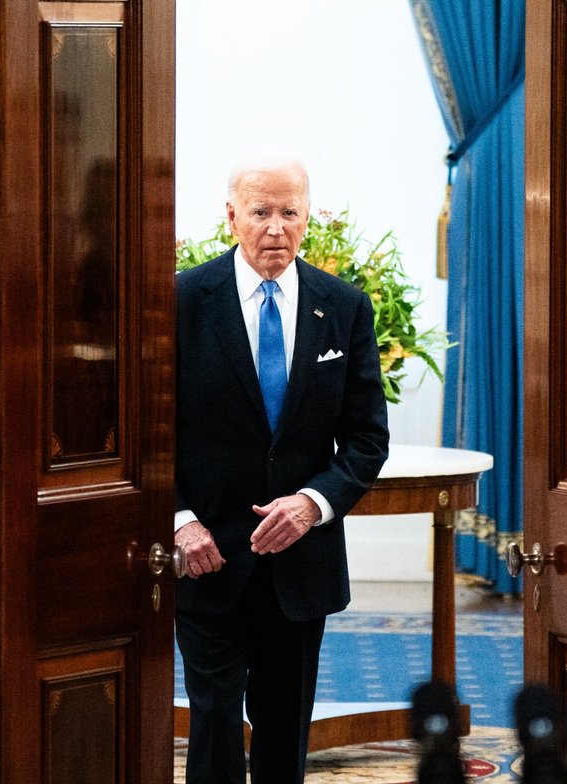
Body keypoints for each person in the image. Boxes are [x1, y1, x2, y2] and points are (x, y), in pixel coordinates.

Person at [174, 156, 390, 783]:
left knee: (284, 724)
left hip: (299, 562)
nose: (275, 228)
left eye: (289, 212)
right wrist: (181, 520)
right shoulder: (181, 300)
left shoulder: (343, 307)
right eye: (260, 212)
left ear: (307, 217)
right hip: (208, 555)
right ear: (231, 216)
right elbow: (149, 435)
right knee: (214, 718)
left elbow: (367, 439)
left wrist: (311, 504)